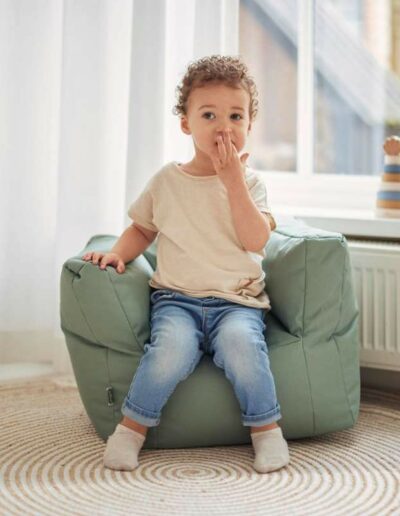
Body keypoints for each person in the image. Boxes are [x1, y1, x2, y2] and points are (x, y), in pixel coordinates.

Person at [82, 55, 290, 474]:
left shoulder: (251, 183)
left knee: (243, 347)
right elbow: (142, 229)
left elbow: (256, 240)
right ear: (185, 124)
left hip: (238, 303)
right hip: (177, 301)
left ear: (250, 125)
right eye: (209, 115)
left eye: (235, 116)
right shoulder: (167, 181)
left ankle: (267, 431)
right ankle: (130, 431)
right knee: (168, 352)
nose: (223, 127)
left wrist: (232, 183)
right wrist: (118, 253)